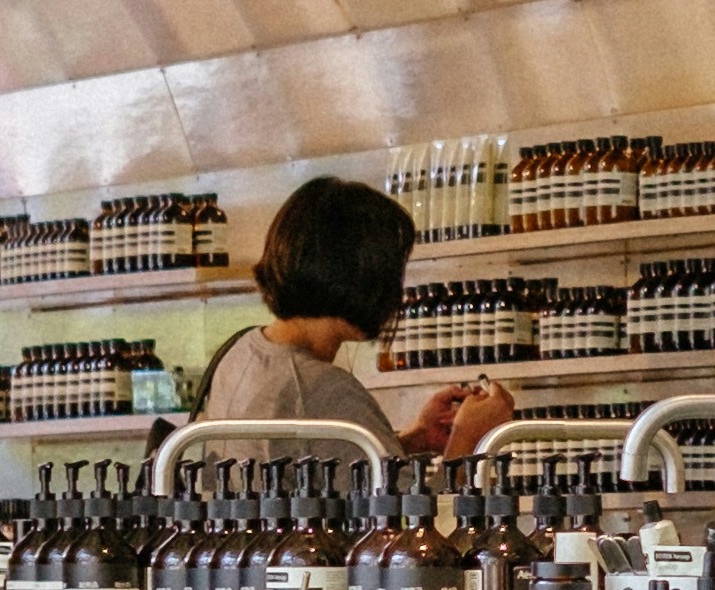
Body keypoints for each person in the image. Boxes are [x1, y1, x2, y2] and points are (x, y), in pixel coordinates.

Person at [190, 174, 517, 455]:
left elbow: (308, 473)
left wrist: (414, 438)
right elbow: (407, 526)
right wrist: (468, 439)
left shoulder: (240, 352)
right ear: (362, 273)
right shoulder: (323, 391)